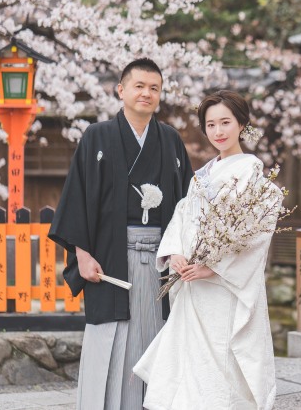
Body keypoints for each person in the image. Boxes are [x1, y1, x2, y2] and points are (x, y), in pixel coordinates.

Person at [48, 58, 193, 410]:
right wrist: (81, 254)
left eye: (154, 88)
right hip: (110, 259)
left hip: (161, 260)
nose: (147, 93)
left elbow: (188, 204)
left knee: (158, 335)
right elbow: (77, 197)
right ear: (121, 90)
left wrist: (183, 250)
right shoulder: (97, 137)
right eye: (139, 86)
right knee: (110, 339)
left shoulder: (170, 141)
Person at [134, 90, 280, 410]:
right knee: (192, 361)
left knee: (223, 358)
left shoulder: (253, 174)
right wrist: (176, 254)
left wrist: (212, 267)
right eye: (211, 124)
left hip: (223, 284)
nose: (218, 131)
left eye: (225, 122)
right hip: (193, 280)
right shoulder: (202, 175)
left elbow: (256, 232)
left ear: (242, 124)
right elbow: (183, 217)